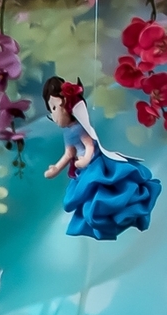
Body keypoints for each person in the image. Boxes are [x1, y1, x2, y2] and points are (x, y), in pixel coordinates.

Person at [43, 74, 160, 241]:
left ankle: (125, 213)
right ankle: (111, 220)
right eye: (51, 110)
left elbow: (90, 145)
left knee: (104, 192)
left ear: (66, 104)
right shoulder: (67, 132)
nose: (53, 116)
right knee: (89, 202)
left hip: (94, 164)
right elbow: (69, 153)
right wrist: (56, 168)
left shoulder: (77, 128)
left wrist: (85, 159)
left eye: (54, 108)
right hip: (83, 170)